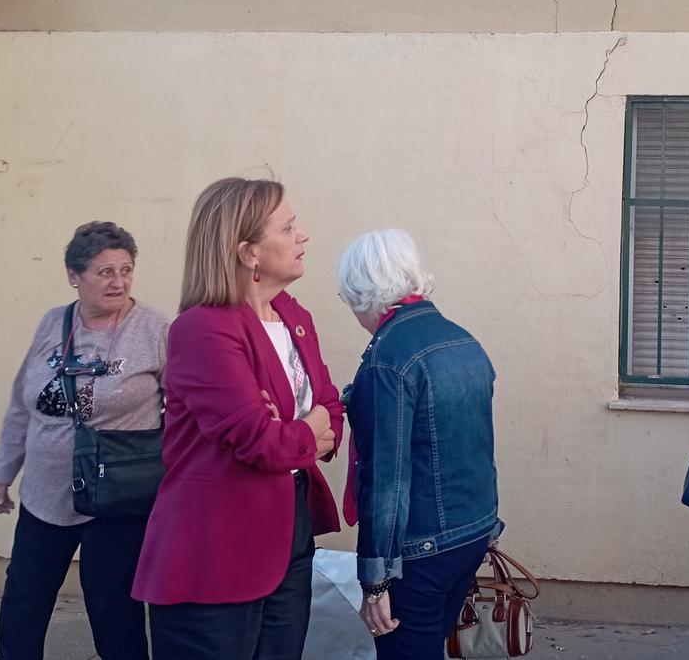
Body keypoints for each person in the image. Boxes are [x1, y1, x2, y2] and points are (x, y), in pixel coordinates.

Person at [132, 178, 344, 660]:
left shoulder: (293, 316)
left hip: (290, 529)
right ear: (248, 251)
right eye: (288, 227)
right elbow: (260, 443)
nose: (303, 235)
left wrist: (297, 427)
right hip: (217, 549)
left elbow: (332, 411)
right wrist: (304, 427)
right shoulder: (203, 328)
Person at [0, 221, 168, 660]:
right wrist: (3, 468)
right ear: (74, 275)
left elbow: (186, 408)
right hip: (45, 495)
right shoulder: (54, 322)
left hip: (118, 498)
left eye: (126, 269)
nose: (119, 281)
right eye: (105, 271)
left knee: (114, 612)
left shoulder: (155, 330)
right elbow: (21, 401)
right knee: (23, 604)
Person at [336, 228, 501, 660]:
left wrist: (375, 583)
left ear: (360, 292)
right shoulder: (463, 340)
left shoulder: (388, 359)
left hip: (420, 552)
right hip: (471, 533)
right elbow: (480, 448)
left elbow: (387, 481)